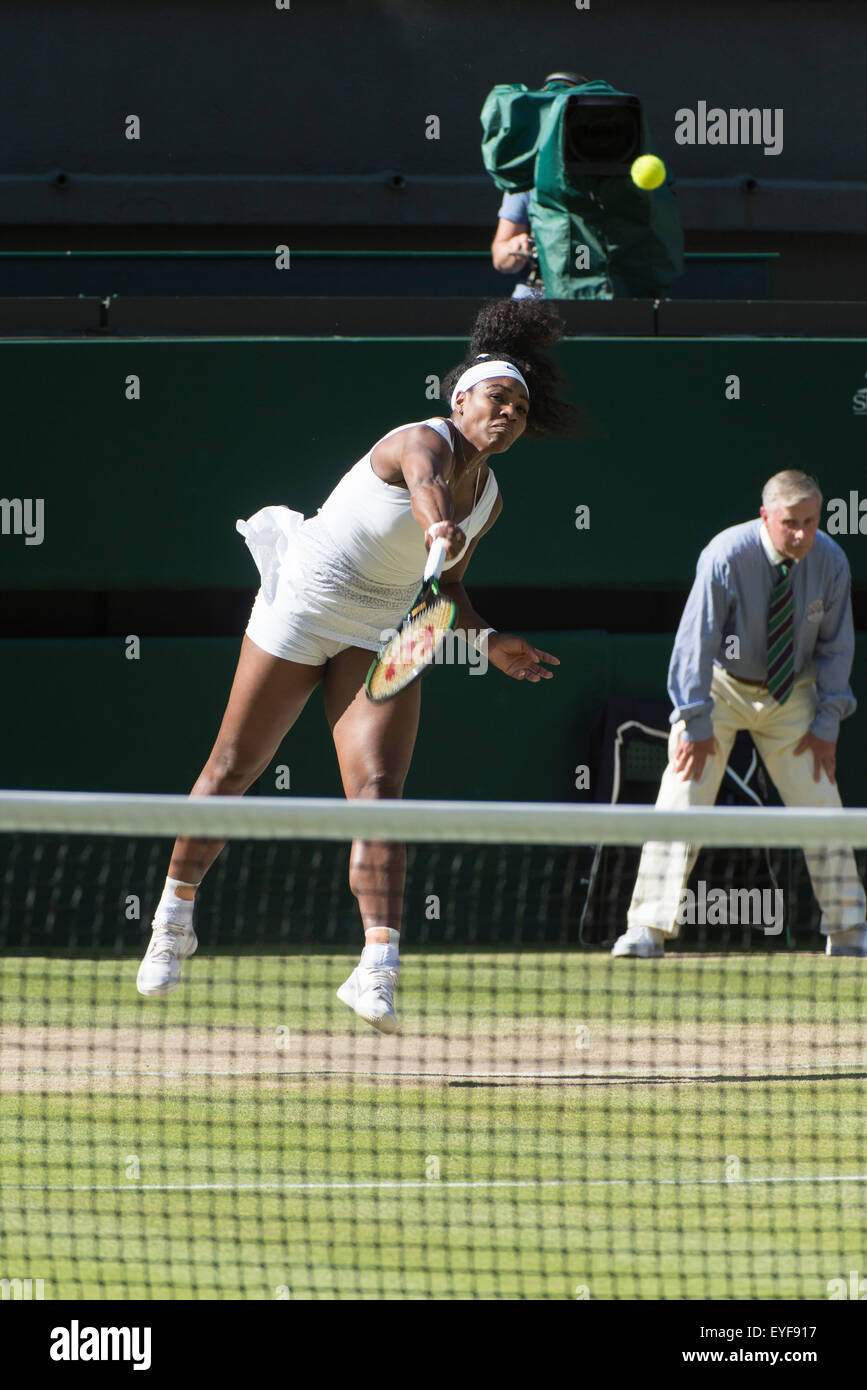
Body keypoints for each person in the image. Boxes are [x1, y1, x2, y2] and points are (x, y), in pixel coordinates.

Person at [136, 299, 580, 1029]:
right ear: (459, 398)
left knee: (379, 788)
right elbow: (425, 489)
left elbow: (447, 586)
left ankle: (377, 965)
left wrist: (487, 638)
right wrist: (434, 521)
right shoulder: (417, 442)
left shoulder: (491, 499)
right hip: (302, 612)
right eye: (497, 397)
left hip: (386, 629)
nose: (508, 413)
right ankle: (173, 921)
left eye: (520, 407)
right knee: (231, 766)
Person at [611, 469, 867, 960]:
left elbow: (837, 649)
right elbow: (695, 643)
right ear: (765, 516)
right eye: (790, 522)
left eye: (810, 522)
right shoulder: (726, 555)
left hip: (793, 694)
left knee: (823, 805)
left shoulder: (832, 560)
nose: (801, 534)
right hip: (719, 690)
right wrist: (696, 720)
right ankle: (646, 928)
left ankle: (850, 930)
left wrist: (827, 724)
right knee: (682, 795)